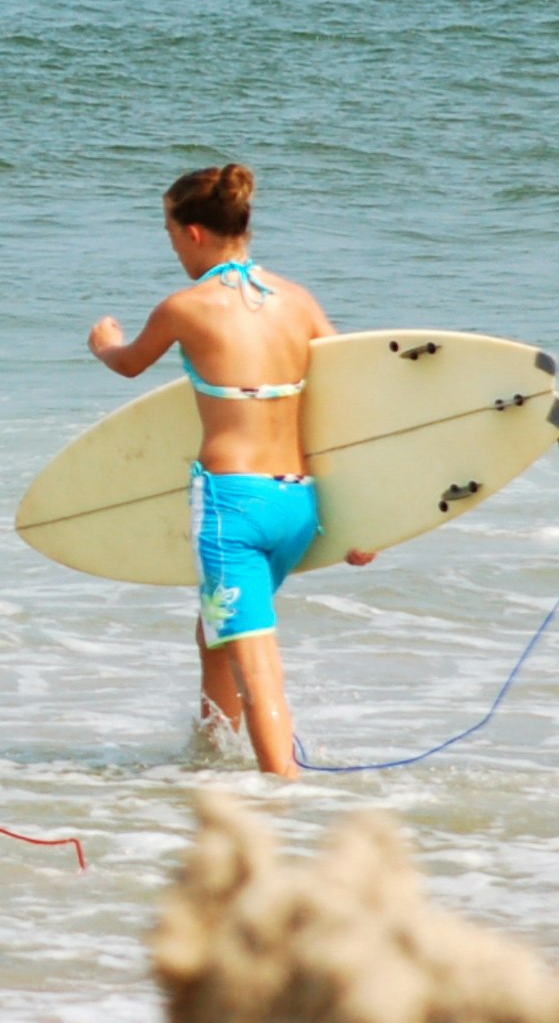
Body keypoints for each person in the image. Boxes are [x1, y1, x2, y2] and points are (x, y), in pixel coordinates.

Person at [84, 162, 372, 780]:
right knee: (214, 633)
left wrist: (103, 340)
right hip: (298, 505)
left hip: (232, 509)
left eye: (167, 232)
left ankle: (283, 798)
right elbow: (351, 399)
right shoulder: (298, 302)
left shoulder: (186, 307)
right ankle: (216, 756)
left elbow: (129, 363)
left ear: (192, 234)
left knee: (256, 659)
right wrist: (368, 519)